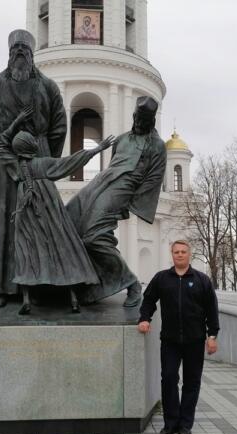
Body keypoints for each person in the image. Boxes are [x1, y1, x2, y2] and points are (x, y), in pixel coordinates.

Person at [0, 29, 67, 308]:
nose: (20, 54)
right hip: (5, 162)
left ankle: (39, 284)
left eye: (24, 50)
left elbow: (59, 126)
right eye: (15, 50)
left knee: (40, 221)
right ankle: (2, 287)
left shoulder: (48, 86)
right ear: (9, 54)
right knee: (5, 223)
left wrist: (45, 156)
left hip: (37, 157)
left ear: (32, 54)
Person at [0, 110, 115, 314]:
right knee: (63, 249)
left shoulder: (16, 166)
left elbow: (1, 144)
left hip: (27, 213)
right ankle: (73, 298)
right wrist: (98, 149)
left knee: (26, 253)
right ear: (33, 146)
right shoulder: (45, 164)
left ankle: (26, 299)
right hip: (51, 212)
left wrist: (16, 122)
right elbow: (71, 162)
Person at [66, 96, 166, 307]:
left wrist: (132, 202)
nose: (139, 124)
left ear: (151, 122)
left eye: (143, 122)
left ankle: (131, 283)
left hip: (124, 189)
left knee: (93, 238)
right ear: (133, 116)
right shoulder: (122, 139)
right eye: (137, 119)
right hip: (101, 183)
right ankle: (83, 283)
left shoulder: (157, 145)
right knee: (67, 222)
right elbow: (113, 164)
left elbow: (154, 178)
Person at [137, 240, 220, 434]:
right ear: (172, 255)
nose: (180, 255)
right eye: (176, 252)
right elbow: (148, 299)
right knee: (168, 378)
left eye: (183, 252)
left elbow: (212, 310)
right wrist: (144, 319)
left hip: (195, 340)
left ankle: (185, 424)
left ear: (189, 254)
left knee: (191, 382)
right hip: (170, 341)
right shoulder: (162, 278)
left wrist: (212, 335)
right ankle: (170, 423)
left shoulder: (202, 280)